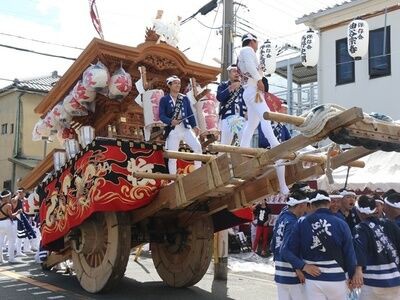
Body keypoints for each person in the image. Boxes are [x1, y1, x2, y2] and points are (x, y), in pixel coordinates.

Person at [281, 190, 358, 300]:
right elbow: (350, 254)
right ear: (329, 203)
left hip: (312, 279)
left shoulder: (302, 223)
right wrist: (351, 276)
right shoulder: (341, 223)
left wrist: (303, 266)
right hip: (337, 278)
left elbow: (285, 251)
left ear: (311, 205)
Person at [237, 33, 289, 195]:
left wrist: (259, 79)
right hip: (253, 90)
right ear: (252, 41)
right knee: (266, 119)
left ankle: (242, 149)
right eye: (256, 42)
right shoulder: (247, 49)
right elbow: (252, 69)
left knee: (252, 124)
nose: (257, 44)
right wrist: (260, 79)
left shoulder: (245, 53)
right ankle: (275, 145)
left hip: (252, 91)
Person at [352, 195, 400, 299]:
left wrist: (358, 270)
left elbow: (360, 249)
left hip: (372, 282)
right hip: (395, 280)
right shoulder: (390, 224)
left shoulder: (360, 228)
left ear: (358, 211)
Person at [159, 75, 203, 174]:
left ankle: (198, 172)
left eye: (179, 83)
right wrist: (171, 121)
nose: (178, 85)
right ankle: (173, 179)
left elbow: (190, 113)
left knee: (197, 147)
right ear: (169, 85)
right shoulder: (164, 100)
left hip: (185, 128)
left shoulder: (184, 99)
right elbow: (161, 116)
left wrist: (195, 126)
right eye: (175, 83)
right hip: (173, 130)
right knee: (173, 156)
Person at [270, 190, 309, 300]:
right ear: (301, 205)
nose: (307, 208)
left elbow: (273, 244)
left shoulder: (281, 217)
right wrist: (298, 268)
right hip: (292, 273)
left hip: (280, 270)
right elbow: (286, 249)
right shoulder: (293, 222)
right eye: (306, 205)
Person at [216, 64, 247, 145]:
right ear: (229, 73)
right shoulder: (223, 85)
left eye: (238, 72)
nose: (236, 73)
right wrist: (230, 88)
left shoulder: (244, 87)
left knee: (245, 144)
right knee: (225, 144)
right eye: (234, 71)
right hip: (228, 117)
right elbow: (219, 97)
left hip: (241, 117)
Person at [0, 190, 21, 263]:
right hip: (7, 223)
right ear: (5, 197)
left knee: (0, 241)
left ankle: (0, 259)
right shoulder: (8, 205)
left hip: (0, 223)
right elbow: (11, 216)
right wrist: (17, 212)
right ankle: (11, 258)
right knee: (11, 241)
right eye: (8, 196)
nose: (9, 198)